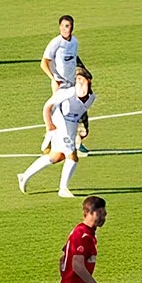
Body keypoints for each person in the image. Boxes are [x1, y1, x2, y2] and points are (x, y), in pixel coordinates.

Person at [18, 68, 95, 198]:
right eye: (78, 81)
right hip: (61, 124)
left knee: (56, 156)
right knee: (72, 156)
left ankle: (24, 176)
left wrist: (83, 128)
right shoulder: (67, 93)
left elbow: (81, 113)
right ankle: (63, 189)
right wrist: (50, 126)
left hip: (71, 127)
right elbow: (47, 107)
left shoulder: (91, 98)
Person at [40, 15, 85, 152]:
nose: (68, 29)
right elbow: (44, 63)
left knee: (72, 112)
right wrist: (53, 78)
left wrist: (83, 71)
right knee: (59, 112)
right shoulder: (55, 43)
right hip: (60, 85)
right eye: (65, 26)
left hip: (71, 84)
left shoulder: (75, 42)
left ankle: (75, 143)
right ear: (60, 27)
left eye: (70, 26)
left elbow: (74, 58)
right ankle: (50, 138)